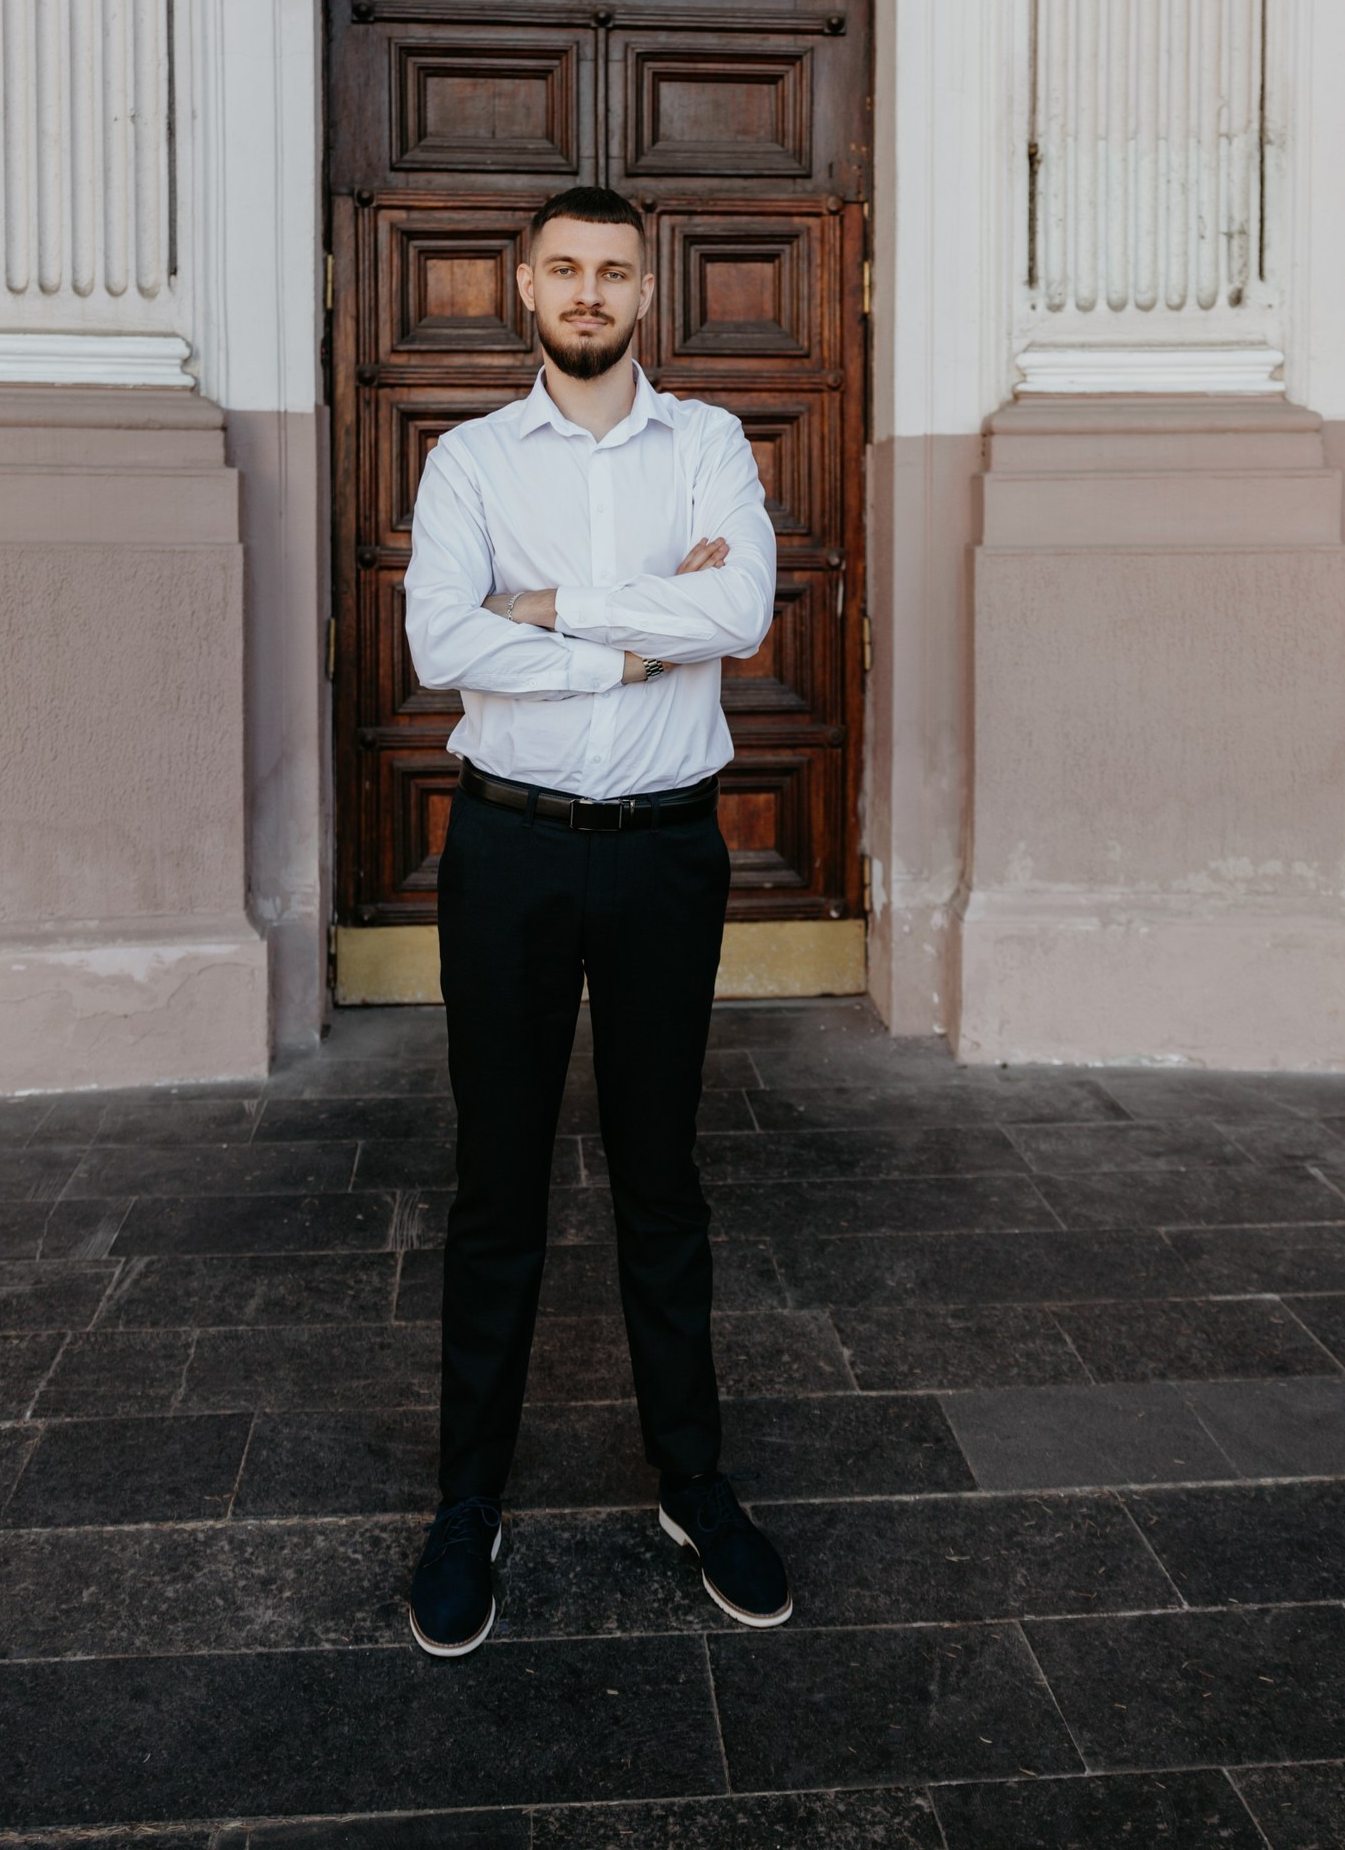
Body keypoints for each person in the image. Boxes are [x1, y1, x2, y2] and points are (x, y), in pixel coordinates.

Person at [400, 183, 792, 1657]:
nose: (587, 292)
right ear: (524, 286)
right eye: (563, 268)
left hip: (663, 857)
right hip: (507, 852)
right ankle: (468, 1505)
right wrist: (632, 640)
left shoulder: (710, 445)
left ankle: (693, 1483)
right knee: (496, 1188)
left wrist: (548, 609)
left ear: (646, 291)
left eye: (612, 271)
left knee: (662, 1178)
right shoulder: (470, 460)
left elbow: (739, 615)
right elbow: (440, 642)